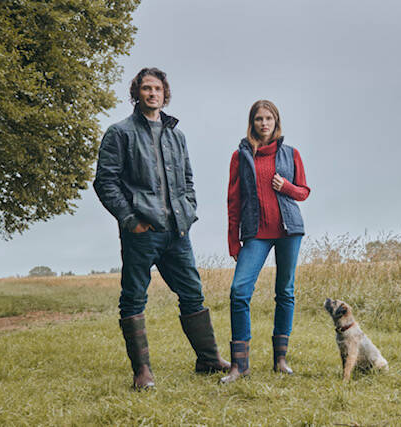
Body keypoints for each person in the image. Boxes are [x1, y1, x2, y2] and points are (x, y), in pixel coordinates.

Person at [94, 67, 229, 390]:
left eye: (157, 88)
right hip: (142, 232)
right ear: (137, 93)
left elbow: (188, 180)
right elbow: (105, 182)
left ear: (164, 93)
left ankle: (208, 359)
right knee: (133, 298)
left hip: (177, 232)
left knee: (193, 294)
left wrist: (188, 211)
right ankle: (142, 372)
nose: (152, 93)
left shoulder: (176, 135)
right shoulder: (120, 133)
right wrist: (130, 221)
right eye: (146, 88)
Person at [220, 100, 310, 384]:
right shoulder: (240, 156)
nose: (264, 123)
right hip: (255, 233)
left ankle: (280, 360)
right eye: (259, 119)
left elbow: (304, 192)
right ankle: (240, 365)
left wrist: (287, 187)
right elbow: (233, 201)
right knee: (239, 291)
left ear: (276, 121)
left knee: (285, 292)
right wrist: (233, 240)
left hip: (289, 231)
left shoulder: (291, 153)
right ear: (252, 123)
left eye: (269, 118)